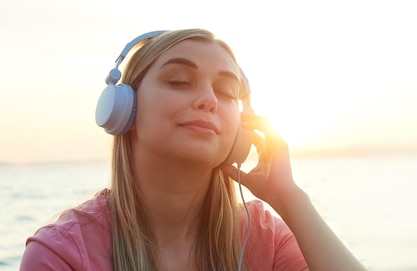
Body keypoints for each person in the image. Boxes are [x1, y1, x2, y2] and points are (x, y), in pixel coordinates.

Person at [20, 28, 367, 271]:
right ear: (125, 109)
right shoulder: (62, 253)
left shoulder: (266, 238)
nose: (208, 100)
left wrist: (291, 198)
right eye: (179, 82)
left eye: (227, 90)